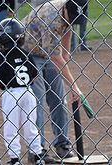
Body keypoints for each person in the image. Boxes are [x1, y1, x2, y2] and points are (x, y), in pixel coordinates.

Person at [22, 0, 86, 163]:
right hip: (29, 53)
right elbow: (56, 58)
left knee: (58, 99)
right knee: (38, 101)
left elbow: (68, 28)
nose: (72, 20)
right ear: (64, 8)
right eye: (70, 16)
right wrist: (74, 86)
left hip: (49, 53)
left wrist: (66, 53)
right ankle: (37, 149)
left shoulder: (69, 11)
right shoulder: (50, 18)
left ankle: (62, 143)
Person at [0, 18, 44, 165]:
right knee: (31, 125)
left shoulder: (2, 57)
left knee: (11, 126)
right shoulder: (26, 53)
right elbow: (34, 77)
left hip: (12, 93)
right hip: (28, 93)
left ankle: (15, 159)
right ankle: (38, 156)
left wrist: (7, 88)